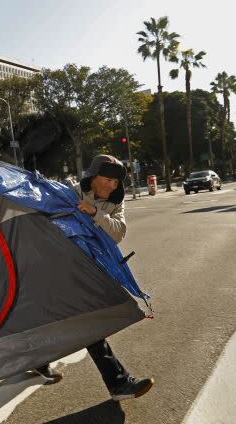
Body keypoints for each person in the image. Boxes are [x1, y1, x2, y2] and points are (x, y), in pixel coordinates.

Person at [34, 154, 154, 401]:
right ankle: (118, 383)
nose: (113, 186)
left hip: (87, 269)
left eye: (117, 181)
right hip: (55, 266)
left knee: (73, 319)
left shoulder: (116, 202)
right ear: (93, 176)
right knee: (86, 322)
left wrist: (95, 212)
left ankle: (40, 359)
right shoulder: (69, 192)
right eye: (108, 179)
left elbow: (118, 234)